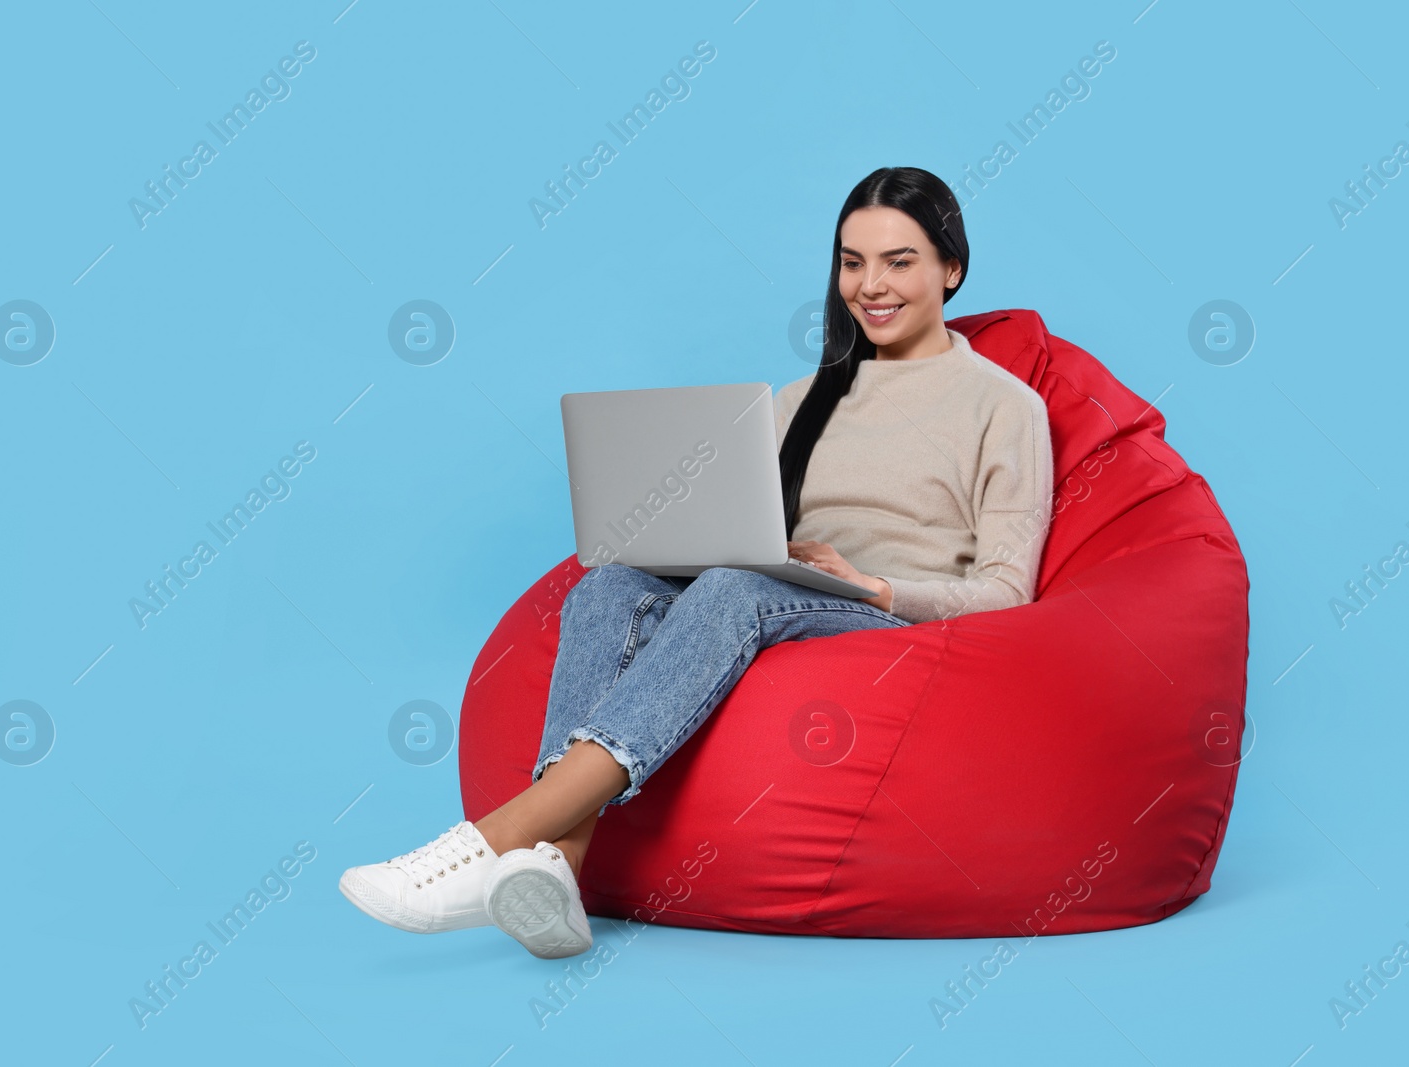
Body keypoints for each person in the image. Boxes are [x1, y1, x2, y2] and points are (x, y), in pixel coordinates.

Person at [339, 166, 1054, 959]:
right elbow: (752, 537)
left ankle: (497, 839)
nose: (871, 285)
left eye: (899, 260)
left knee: (732, 589)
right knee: (610, 583)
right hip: (789, 589)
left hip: (884, 617)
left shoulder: (1005, 407)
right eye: (852, 262)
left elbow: (1007, 591)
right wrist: (736, 543)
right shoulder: (799, 400)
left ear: (951, 267)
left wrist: (874, 583)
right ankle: (561, 866)